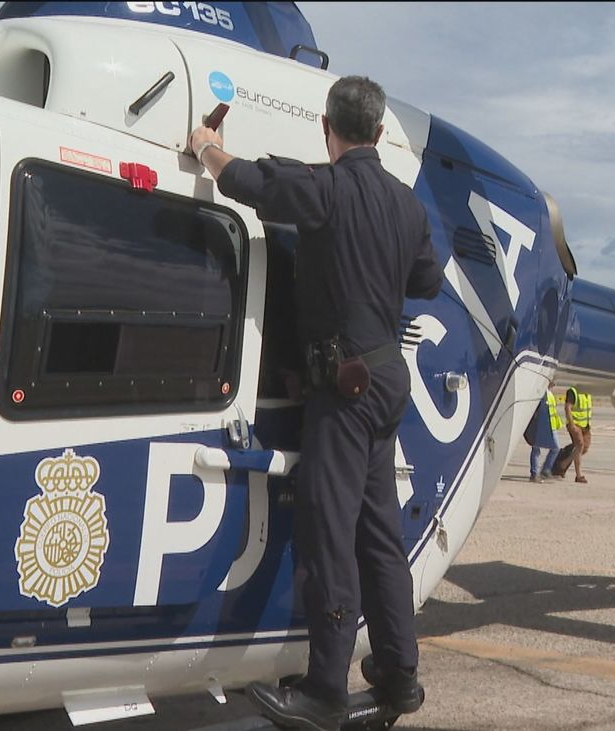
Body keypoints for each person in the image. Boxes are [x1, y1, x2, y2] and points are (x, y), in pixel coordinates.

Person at [189, 76, 442, 731]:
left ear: (327, 129)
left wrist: (209, 148)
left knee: (329, 536)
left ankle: (327, 688)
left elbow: (250, 182)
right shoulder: (408, 207)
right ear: (381, 133)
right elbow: (428, 280)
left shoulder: (326, 188)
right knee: (380, 537)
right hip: (388, 383)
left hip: (346, 388)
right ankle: (399, 673)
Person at [527, 381, 562, 482]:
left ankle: (545, 470)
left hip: (550, 426)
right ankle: (534, 474)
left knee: (555, 448)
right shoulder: (540, 393)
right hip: (539, 426)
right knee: (536, 450)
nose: (555, 383)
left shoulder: (550, 394)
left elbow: (553, 411)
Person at [564, 385, 593, 483]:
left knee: (584, 449)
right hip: (575, 424)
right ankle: (579, 476)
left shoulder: (588, 392)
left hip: (585, 425)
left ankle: (563, 463)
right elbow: (567, 408)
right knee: (579, 446)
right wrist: (572, 424)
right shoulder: (573, 391)